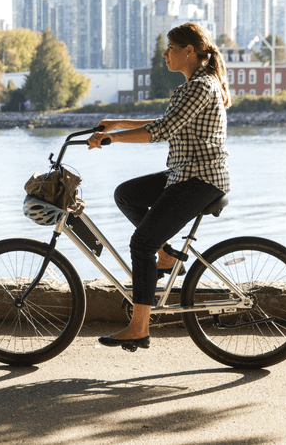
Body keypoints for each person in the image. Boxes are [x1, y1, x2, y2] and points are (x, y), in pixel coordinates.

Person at [86, 22, 231, 350]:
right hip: (183, 173)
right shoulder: (191, 86)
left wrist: (111, 137)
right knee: (127, 194)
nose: (165, 54)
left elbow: (162, 130)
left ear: (189, 51)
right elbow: (165, 123)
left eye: (170, 48)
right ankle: (166, 257)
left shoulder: (201, 86)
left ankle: (139, 326)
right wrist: (119, 123)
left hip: (200, 179)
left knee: (141, 244)